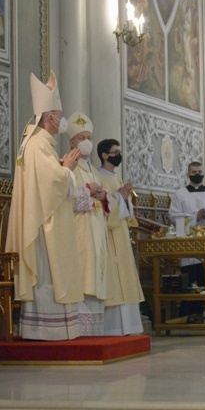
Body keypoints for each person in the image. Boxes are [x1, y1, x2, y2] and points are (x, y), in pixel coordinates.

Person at [6, 71, 91, 341]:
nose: (62, 120)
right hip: (43, 225)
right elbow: (51, 184)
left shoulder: (40, 144)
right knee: (47, 273)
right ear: (49, 117)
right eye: (59, 114)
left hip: (47, 218)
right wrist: (66, 169)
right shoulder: (37, 145)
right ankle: (44, 329)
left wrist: (61, 167)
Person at [66, 112, 112, 336]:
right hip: (79, 230)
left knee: (97, 273)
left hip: (97, 228)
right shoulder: (68, 167)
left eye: (89, 137)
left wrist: (104, 196)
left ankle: (95, 334)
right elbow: (66, 198)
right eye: (81, 137)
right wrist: (88, 191)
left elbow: (105, 197)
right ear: (72, 141)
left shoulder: (93, 169)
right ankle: (81, 333)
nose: (86, 142)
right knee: (84, 276)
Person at [97, 138, 145, 336]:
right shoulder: (97, 176)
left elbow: (125, 209)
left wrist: (123, 200)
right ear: (105, 155)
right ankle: (113, 328)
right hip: (107, 235)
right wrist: (118, 198)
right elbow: (102, 208)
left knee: (125, 277)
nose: (119, 155)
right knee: (113, 279)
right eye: (115, 152)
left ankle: (130, 327)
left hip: (121, 235)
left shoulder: (117, 177)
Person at [168, 161, 205, 286]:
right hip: (189, 241)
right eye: (194, 172)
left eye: (199, 172)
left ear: (203, 173)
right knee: (191, 281)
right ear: (188, 174)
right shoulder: (179, 194)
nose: (197, 174)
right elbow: (173, 217)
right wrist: (195, 217)